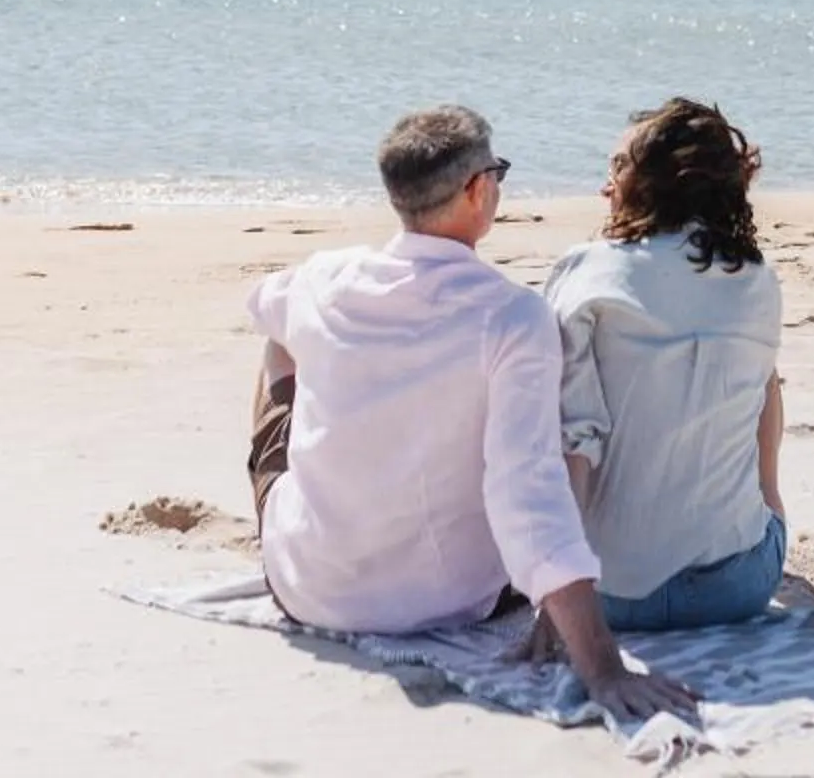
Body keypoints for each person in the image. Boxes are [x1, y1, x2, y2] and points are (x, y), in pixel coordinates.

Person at [244, 104, 697, 727]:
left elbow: (260, 306)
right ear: (477, 190)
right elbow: (527, 491)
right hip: (451, 602)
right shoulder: (512, 317)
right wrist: (602, 666)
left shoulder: (321, 278)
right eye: (498, 173)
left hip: (309, 589)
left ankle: (309, 522)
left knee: (278, 343)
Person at [538, 97, 787, 632]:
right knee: (763, 377)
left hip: (609, 594)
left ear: (654, 183)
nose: (605, 187)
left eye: (617, 168)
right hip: (738, 588)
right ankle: (766, 511)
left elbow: (571, 437)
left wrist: (559, 589)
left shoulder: (586, 272)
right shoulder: (757, 278)